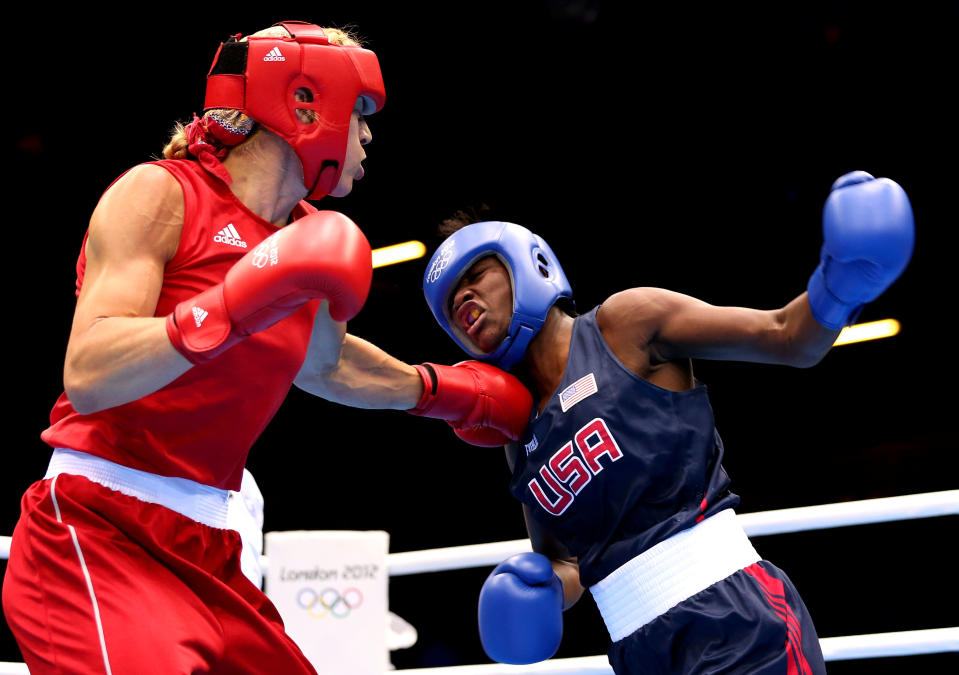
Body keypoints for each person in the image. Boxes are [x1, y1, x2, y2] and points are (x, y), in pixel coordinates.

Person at [1, 21, 532, 674]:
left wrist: (450, 393)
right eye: (360, 112)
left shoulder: (311, 237)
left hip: (215, 550)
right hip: (100, 530)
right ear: (305, 101)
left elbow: (326, 364)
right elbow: (88, 370)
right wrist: (229, 306)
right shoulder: (161, 194)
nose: (367, 135)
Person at [420, 171, 915, 673]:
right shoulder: (516, 428)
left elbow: (786, 335)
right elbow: (569, 562)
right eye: (450, 301)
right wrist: (544, 588)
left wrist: (839, 285)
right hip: (639, 654)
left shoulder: (625, 324)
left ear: (530, 265)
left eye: (476, 276)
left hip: (733, 622)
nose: (463, 300)